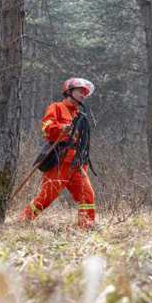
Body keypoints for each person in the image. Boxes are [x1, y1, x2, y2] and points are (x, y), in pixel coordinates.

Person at [21, 78, 96, 229]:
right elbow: (47, 128)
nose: (83, 95)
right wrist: (64, 129)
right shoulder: (56, 107)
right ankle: (24, 221)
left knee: (87, 195)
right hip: (59, 161)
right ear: (69, 91)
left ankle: (87, 227)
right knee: (46, 197)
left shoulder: (80, 116)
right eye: (80, 91)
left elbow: (82, 143)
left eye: (85, 93)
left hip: (77, 163)